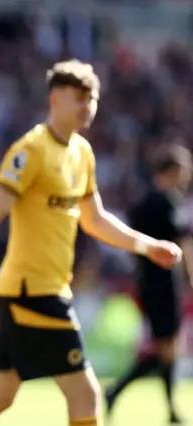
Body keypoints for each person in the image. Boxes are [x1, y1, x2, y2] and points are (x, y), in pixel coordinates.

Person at [0, 59, 183, 426]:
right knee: (85, 394)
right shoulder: (30, 150)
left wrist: (147, 246)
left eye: (92, 99)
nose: (87, 107)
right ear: (55, 99)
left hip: (46, 288)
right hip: (33, 291)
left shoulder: (82, 153)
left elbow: (95, 219)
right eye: (79, 98)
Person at [105, 144, 193, 424]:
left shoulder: (144, 203)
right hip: (163, 284)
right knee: (166, 349)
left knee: (169, 349)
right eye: (183, 170)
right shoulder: (166, 203)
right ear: (172, 171)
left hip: (150, 283)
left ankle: (169, 409)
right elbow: (182, 245)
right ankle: (117, 391)